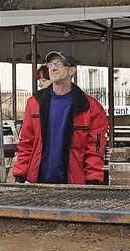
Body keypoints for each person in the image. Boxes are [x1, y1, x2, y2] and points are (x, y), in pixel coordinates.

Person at [13, 51, 108, 185]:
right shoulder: (35, 102)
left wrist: (93, 181)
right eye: (50, 64)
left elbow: (95, 149)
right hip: (38, 181)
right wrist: (20, 175)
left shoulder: (90, 107)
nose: (53, 67)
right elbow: (26, 142)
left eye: (59, 64)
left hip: (74, 183)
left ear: (72, 71)